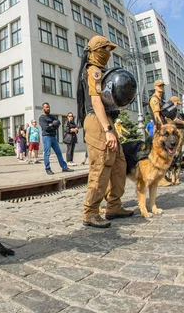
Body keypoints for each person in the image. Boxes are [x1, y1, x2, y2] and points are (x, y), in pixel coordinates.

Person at [76, 35, 134, 228]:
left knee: (119, 164)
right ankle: (90, 212)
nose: (109, 54)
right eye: (106, 50)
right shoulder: (93, 70)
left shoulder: (99, 70)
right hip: (97, 121)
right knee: (101, 166)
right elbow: (95, 101)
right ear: (97, 51)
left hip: (105, 120)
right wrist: (107, 129)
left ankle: (114, 206)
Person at [39, 103, 74, 176]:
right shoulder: (42, 118)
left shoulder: (52, 116)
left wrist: (51, 125)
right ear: (43, 108)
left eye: (48, 107)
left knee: (59, 153)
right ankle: (48, 168)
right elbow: (46, 128)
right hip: (46, 137)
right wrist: (53, 125)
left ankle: (64, 167)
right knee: (47, 153)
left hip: (53, 137)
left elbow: (58, 122)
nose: (48, 108)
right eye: (46, 107)